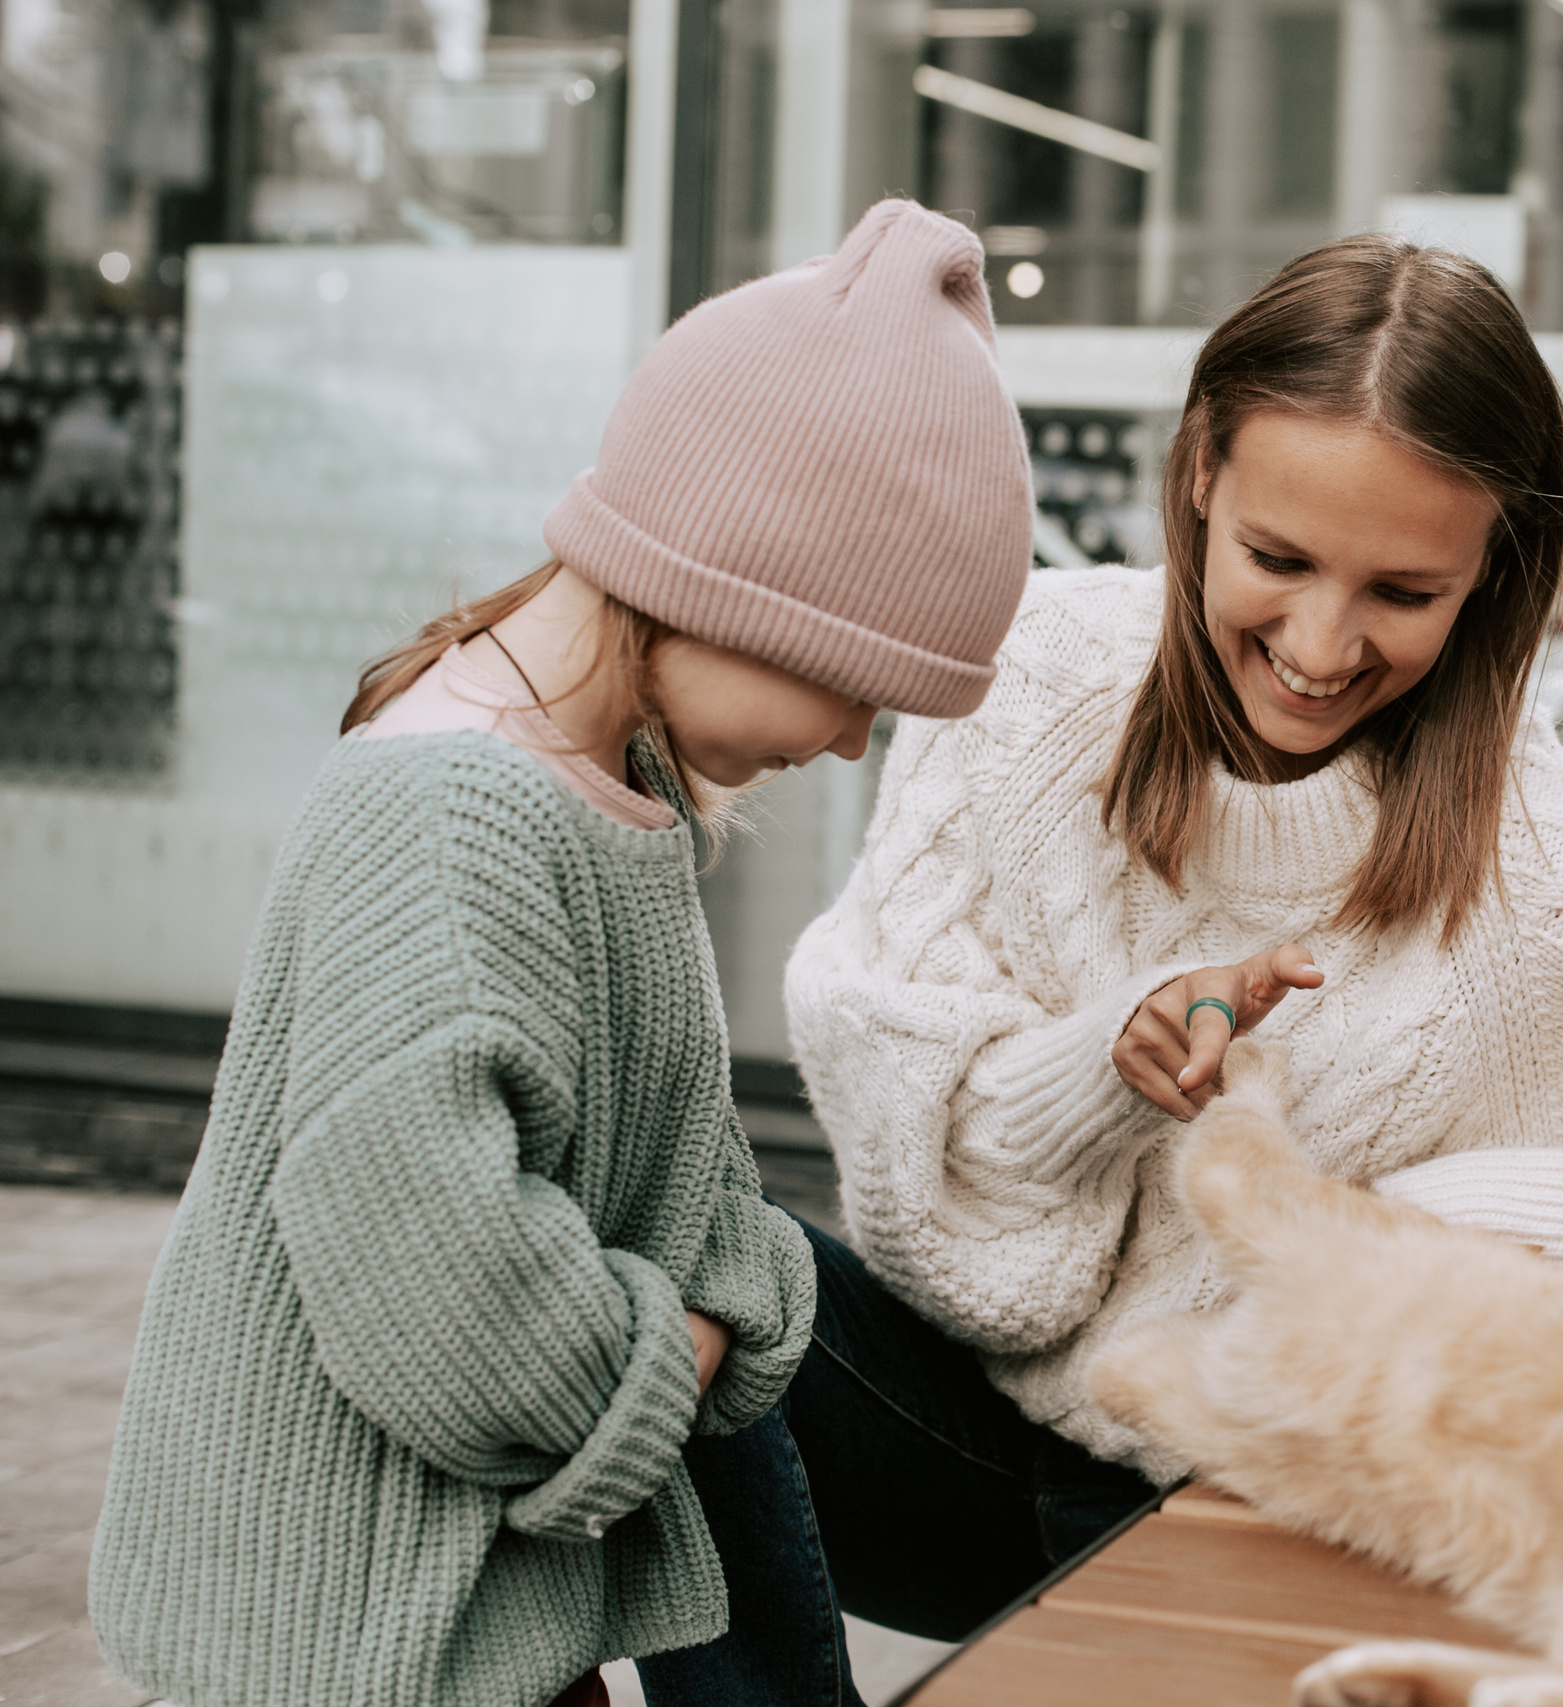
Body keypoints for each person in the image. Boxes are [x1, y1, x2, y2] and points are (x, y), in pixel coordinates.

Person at [640, 235, 1563, 1703]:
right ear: (1202, 469)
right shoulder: (1026, 679)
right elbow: (965, 1253)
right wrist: (1105, 1069)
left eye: (1404, 591)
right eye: (1279, 560)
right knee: (668, 1246)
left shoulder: (1550, 867)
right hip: (961, 1420)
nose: (1321, 642)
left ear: (1492, 570)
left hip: (1293, 1507)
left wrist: (1429, 1232)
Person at [85, 200, 1034, 1707]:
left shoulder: (609, 792)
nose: (854, 737)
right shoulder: (452, 808)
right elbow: (449, 1298)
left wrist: (738, 1292)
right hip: (353, 1633)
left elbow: (680, 1180)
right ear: (734, 583)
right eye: (858, 680)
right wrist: (699, 1346)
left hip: (473, 1600)